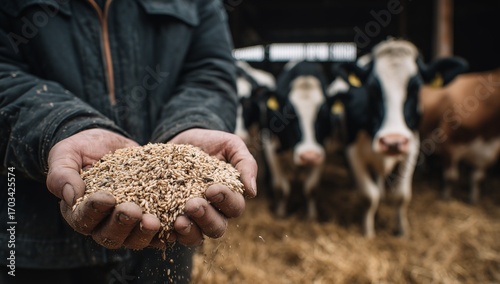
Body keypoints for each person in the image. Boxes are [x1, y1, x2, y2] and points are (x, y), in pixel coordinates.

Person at [0, 0, 258, 283]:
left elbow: (209, 71)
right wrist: (63, 127)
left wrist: (195, 123)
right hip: (33, 241)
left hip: (166, 243)